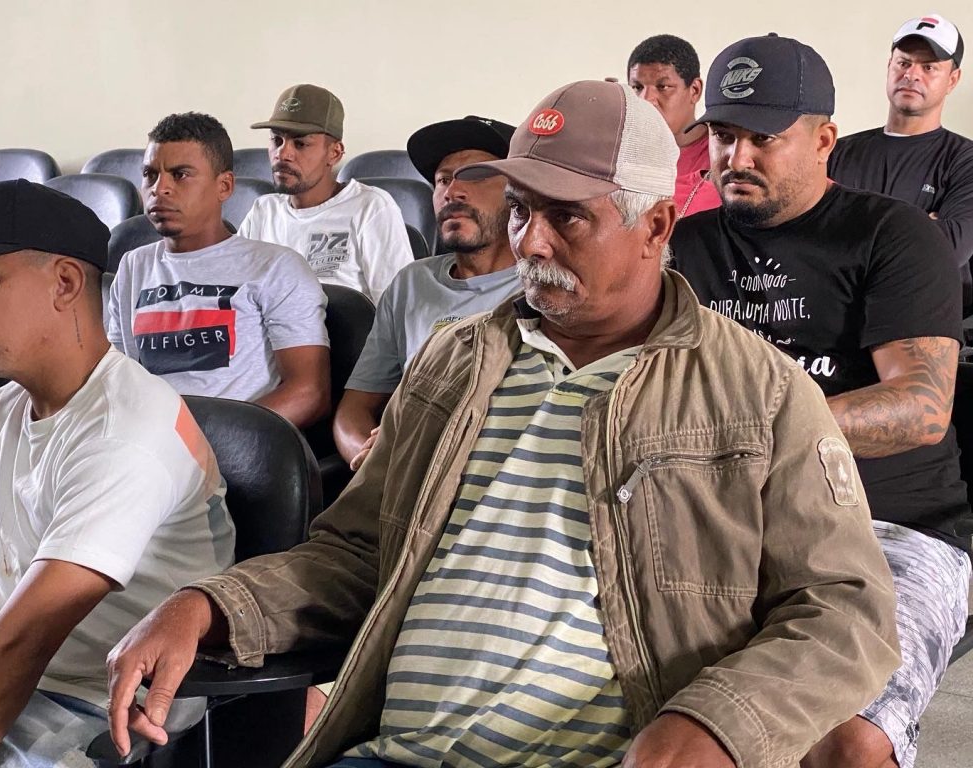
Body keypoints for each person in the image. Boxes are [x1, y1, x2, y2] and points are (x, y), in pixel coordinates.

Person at [106, 80, 899, 768]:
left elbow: (845, 610)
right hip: (400, 751)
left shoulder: (757, 391)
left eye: (568, 218)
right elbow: (358, 553)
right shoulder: (456, 361)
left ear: (657, 227)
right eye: (520, 210)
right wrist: (212, 605)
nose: (531, 242)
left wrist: (715, 724)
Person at [670, 33, 973, 768]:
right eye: (723, 135)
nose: (735, 157)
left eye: (763, 139)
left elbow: (921, 407)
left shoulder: (894, 236)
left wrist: (750, 434)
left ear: (824, 140)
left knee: (847, 741)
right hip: (724, 520)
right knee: (665, 715)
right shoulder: (684, 246)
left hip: (890, 524)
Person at [0, 180, 235, 766]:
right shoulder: (4, 406)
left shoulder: (125, 430)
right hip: (3, 661)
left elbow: (27, 639)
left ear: (64, 283)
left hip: (96, 701)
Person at [108, 112, 331, 429]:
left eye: (180, 175)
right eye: (150, 175)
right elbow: (120, 379)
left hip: (236, 447)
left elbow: (309, 393)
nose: (160, 188)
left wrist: (203, 442)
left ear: (224, 186)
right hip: (147, 443)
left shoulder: (276, 268)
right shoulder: (133, 266)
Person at [333, 115, 520, 469]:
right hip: (403, 471)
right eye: (443, 180)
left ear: (519, 192)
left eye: (475, 175)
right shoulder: (411, 284)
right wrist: (370, 460)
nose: (452, 191)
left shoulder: (542, 287)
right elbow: (354, 408)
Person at [829, 13, 973, 314]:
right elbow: (804, 240)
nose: (912, 74)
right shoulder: (836, 151)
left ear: (953, 79)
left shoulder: (965, 160)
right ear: (889, 66)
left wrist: (848, 227)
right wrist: (920, 223)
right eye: (904, 63)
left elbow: (950, 249)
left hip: (925, 322)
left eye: (929, 67)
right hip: (838, 319)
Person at [237, 84, 412, 305]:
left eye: (300, 144)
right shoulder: (263, 211)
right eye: (277, 140)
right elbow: (233, 297)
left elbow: (397, 310)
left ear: (334, 153)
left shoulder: (371, 208)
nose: (283, 153)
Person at [627, 34, 720, 218]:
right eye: (637, 87)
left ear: (694, 91)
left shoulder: (725, 153)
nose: (646, 100)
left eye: (663, 87)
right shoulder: (621, 153)